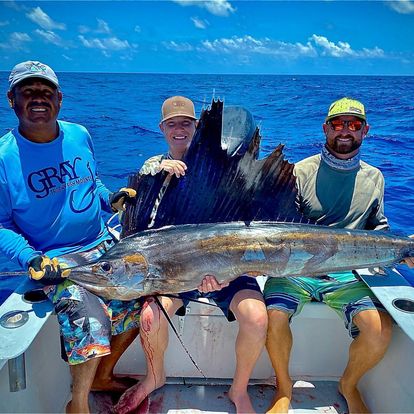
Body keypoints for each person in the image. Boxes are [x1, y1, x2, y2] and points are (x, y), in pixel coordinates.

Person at [0, 60, 141, 413]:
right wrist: (32, 259)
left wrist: (111, 199)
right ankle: (77, 404)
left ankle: (103, 376)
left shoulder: (79, 134)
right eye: (27, 92)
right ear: (11, 99)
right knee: (91, 321)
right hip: (54, 258)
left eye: (45, 92)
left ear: (59, 99)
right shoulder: (4, 157)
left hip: (102, 245)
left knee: (143, 304)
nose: (38, 99)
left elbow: (88, 182)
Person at [114, 96, 268, 414]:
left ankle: (239, 391)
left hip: (227, 271)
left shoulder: (225, 169)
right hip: (177, 273)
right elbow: (132, 212)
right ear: (162, 129)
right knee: (149, 317)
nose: (179, 129)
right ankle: (154, 377)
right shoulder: (152, 167)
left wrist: (228, 272)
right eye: (172, 124)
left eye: (186, 123)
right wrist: (158, 172)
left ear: (197, 127)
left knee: (256, 318)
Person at [264, 97, 414, 414]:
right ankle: (283, 388)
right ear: (326, 129)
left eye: (354, 124)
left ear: (365, 131)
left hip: (349, 273)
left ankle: (348, 384)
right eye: (338, 124)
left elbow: (378, 229)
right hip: (295, 268)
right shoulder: (299, 172)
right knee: (273, 317)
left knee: (379, 330)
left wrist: (401, 252)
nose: (345, 131)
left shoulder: (375, 177)